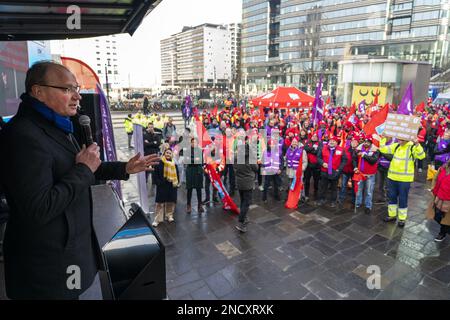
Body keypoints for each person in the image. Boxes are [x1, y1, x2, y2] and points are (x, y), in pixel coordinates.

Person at [0, 61, 160, 299]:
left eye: (75, 88)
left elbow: (83, 169)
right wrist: (84, 169)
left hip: (64, 260)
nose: (77, 96)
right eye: (66, 89)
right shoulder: (24, 135)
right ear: (38, 91)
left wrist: (124, 167)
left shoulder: (56, 126)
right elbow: (38, 208)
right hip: (45, 273)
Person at [380, 137, 425, 227]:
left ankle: (402, 218)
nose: (399, 140)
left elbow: (421, 156)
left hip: (404, 179)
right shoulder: (396, 146)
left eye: (401, 139)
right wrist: (383, 139)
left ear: (407, 139)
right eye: (398, 138)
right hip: (392, 177)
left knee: (403, 199)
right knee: (391, 197)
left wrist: (417, 144)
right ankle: (392, 215)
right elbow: (383, 149)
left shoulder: (412, 147)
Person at [316, 135, 347, 207]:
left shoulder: (341, 150)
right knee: (323, 186)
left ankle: (333, 201)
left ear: (336, 143)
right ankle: (322, 199)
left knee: (334, 188)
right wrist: (322, 163)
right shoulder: (323, 148)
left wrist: (339, 169)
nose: (332, 142)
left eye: (334, 141)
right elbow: (318, 157)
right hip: (324, 171)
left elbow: (344, 160)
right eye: (330, 141)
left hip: (335, 172)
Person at [234, 144, 259, 233]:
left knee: (242, 201)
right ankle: (241, 221)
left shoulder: (236, 158)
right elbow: (256, 168)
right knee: (246, 203)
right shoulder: (250, 158)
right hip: (248, 183)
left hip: (240, 183)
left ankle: (243, 217)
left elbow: (235, 168)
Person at [152, 148, 180, 227]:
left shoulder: (174, 164)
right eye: (167, 152)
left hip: (171, 186)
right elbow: (155, 174)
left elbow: (177, 174)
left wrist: (176, 183)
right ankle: (157, 219)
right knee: (160, 203)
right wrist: (159, 183)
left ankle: (169, 215)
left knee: (170, 202)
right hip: (162, 186)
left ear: (172, 155)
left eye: (170, 153)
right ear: (164, 154)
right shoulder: (159, 163)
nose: (168, 154)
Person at [353, 136, 380, 214]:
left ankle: (368, 206)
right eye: (364, 142)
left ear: (371, 143)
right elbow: (354, 159)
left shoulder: (375, 150)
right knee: (359, 190)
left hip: (370, 175)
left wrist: (364, 155)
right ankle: (358, 203)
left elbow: (373, 160)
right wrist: (355, 167)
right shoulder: (358, 149)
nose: (365, 143)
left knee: (368, 191)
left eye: (367, 142)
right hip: (360, 173)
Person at [430, 160, 450, 241]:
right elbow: (435, 178)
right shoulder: (442, 168)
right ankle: (445, 230)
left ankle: (442, 232)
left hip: (448, 200)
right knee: (437, 216)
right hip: (439, 196)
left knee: (446, 218)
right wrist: (433, 188)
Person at [185, 138, 204, 214]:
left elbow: (200, 161)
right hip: (190, 171)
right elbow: (187, 161)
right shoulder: (187, 151)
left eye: (195, 142)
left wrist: (192, 159)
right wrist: (194, 160)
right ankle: (188, 205)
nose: (194, 144)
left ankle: (200, 204)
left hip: (198, 171)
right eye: (192, 142)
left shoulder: (200, 150)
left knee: (198, 189)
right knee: (189, 189)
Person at [303, 133, 321, 202]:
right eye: (313, 136)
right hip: (308, 165)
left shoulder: (320, 143)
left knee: (316, 181)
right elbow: (305, 148)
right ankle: (306, 194)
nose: (314, 137)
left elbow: (318, 151)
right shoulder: (308, 142)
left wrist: (310, 150)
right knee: (307, 180)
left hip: (316, 166)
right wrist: (313, 148)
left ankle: (315, 194)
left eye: (315, 136)